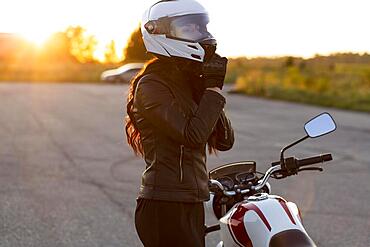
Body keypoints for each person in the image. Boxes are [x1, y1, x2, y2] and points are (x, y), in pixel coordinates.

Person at [125, 0, 234, 246]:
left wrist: (206, 86)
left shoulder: (189, 82)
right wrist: (214, 91)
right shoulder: (152, 86)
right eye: (191, 28)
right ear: (161, 32)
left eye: (202, 27)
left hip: (191, 202)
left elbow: (225, 140)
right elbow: (192, 135)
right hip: (164, 205)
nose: (203, 35)